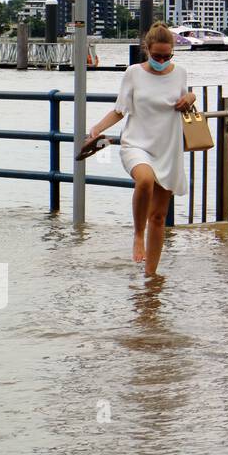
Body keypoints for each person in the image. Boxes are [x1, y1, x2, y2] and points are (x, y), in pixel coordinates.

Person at [84, 23, 196, 276]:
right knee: (144, 179)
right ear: (146, 49)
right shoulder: (133, 73)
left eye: (167, 56)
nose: (162, 60)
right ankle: (137, 234)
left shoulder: (180, 73)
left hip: (168, 147)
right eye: (157, 56)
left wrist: (191, 97)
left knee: (159, 217)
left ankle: (151, 277)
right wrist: (95, 130)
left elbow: (185, 99)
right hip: (136, 143)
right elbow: (119, 110)